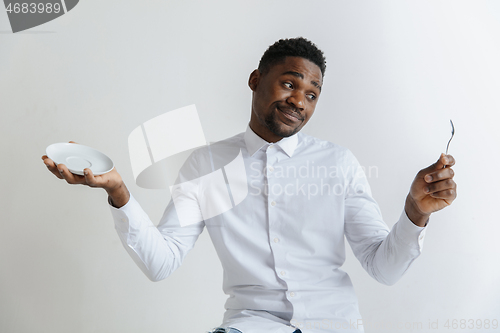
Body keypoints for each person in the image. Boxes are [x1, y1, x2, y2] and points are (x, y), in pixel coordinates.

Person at [42, 37, 457, 333]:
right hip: (251, 325)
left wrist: (415, 211)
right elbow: (161, 262)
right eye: (290, 83)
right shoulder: (206, 164)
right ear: (256, 79)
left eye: (312, 94)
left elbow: (382, 268)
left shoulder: (338, 164)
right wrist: (119, 193)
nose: (299, 100)